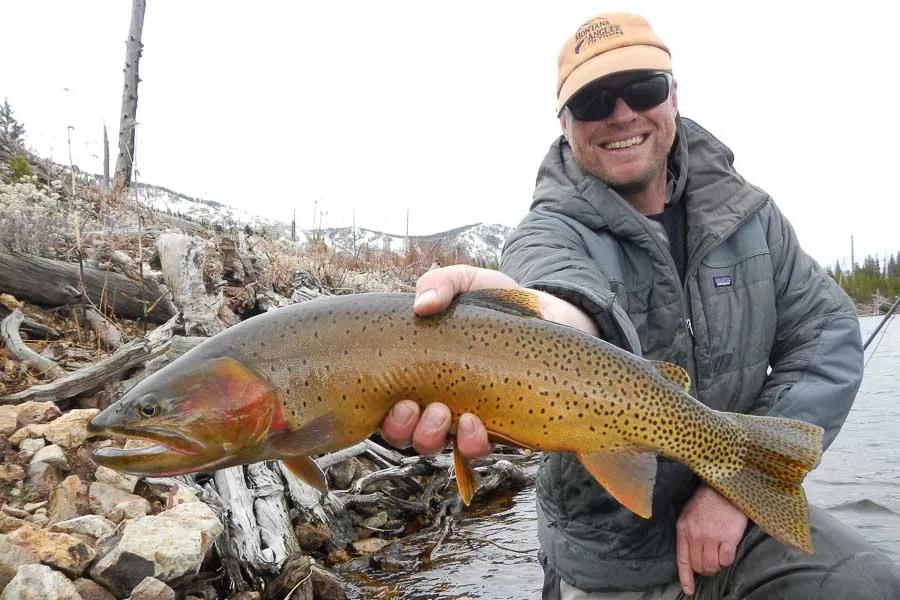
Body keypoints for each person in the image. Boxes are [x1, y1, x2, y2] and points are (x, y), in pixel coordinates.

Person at [380, 12, 900, 599]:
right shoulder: (545, 234)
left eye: (643, 88)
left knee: (869, 584)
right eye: (594, 99)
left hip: (740, 521)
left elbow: (828, 332)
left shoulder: (752, 219)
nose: (621, 113)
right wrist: (555, 324)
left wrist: (729, 488)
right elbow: (563, 301)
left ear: (674, 94)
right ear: (565, 122)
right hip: (613, 554)